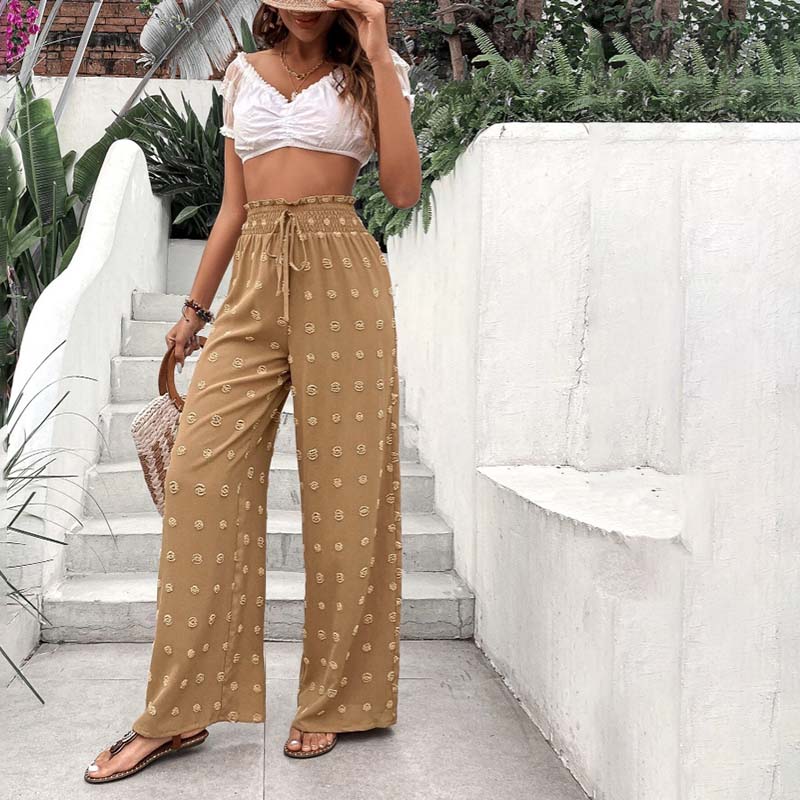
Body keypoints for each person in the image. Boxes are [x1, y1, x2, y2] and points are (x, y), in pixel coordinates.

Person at [84, 0, 420, 781]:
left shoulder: (375, 71)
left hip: (344, 270)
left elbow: (402, 191)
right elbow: (234, 209)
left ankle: (335, 700)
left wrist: (377, 53)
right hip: (257, 276)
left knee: (347, 496)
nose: (304, 10)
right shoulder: (241, 75)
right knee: (200, 478)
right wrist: (193, 312)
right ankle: (180, 709)